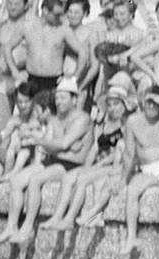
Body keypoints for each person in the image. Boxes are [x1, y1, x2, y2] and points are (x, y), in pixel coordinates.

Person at [0, 79, 91, 244]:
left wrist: (56, 144)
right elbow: (51, 146)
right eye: (57, 97)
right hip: (54, 160)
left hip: (71, 166)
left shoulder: (82, 118)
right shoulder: (54, 118)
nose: (58, 101)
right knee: (16, 181)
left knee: (35, 180)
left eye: (63, 98)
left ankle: (28, 227)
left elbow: (62, 144)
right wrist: (57, 146)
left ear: (74, 99)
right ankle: (11, 227)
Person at [43, 84, 129, 230]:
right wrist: (87, 166)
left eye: (116, 104)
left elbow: (122, 150)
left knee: (82, 179)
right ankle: (57, 217)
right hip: (99, 163)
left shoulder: (127, 125)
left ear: (124, 106)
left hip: (115, 165)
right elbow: (95, 148)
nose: (112, 108)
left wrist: (98, 165)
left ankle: (70, 219)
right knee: (69, 177)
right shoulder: (103, 123)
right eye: (109, 105)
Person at [119, 86, 159, 254]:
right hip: (146, 169)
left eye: (155, 104)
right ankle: (132, 237)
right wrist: (124, 177)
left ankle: (131, 237)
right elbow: (129, 152)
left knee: (133, 189)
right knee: (131, 187)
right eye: (148, 103)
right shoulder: (133, 121)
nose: (150, 107)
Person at [0, 0, 43, 129]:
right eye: (9, 3)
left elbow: (36, 53)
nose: (12, 7)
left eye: (16, 4)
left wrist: (16, 67)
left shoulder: (33, 26)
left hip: (23, 76)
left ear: (26, 5)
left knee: (27, 122)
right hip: (2, 79)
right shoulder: (1, 25)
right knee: (2, 123)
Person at [34, 0, 83, 89]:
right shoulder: (30, 27)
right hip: (32, 78)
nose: (60, 18)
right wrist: (15, 72)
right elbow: (7, 47)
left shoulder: (63, 30)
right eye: (56, 15)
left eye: (61, 14)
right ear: (45, 11)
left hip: (54, 80)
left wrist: (74, 77)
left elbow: (82, 52)